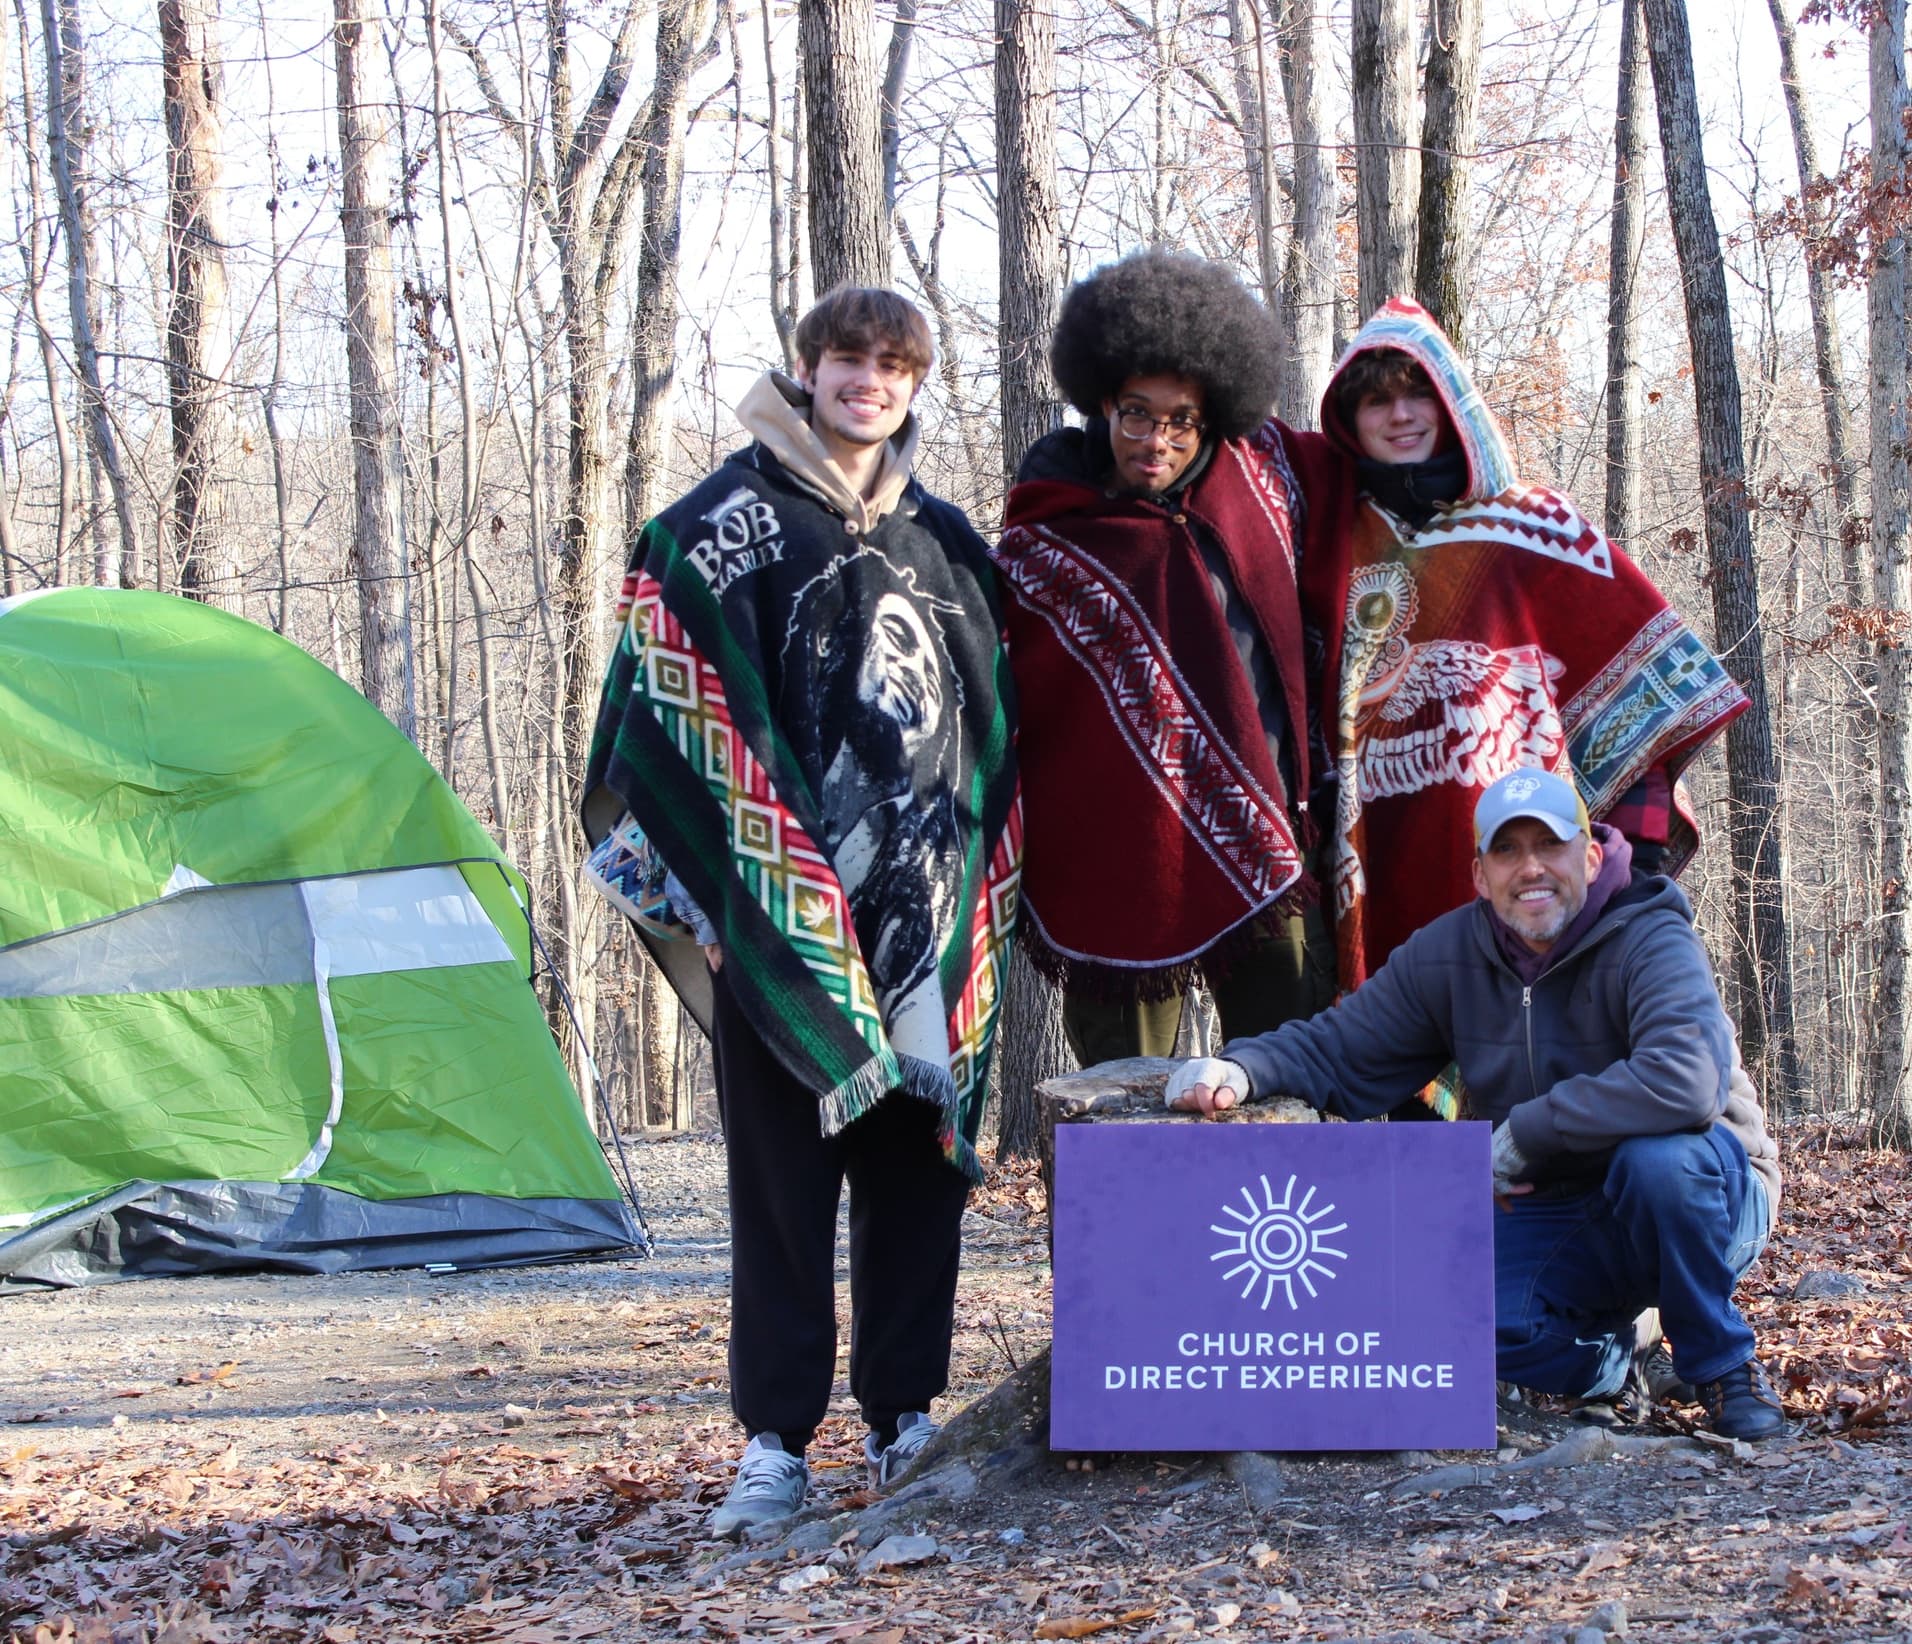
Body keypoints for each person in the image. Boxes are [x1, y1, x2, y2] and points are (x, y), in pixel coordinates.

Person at [580, 287, 1022, 1537]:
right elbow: (654, 724)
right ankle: (774, 1442)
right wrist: (714, 903)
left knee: (915, 1174)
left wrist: (977, 900)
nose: (867, 382)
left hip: (921, 921)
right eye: (847, 359)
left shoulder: (946, 544)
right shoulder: (714, 528)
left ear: (914, 383)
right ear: (807, 368)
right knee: (781, 1189)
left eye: (892, 365)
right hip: (771, 923)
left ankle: (902, 1418)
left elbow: (995, 732)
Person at [1164, 766, 1786, 1441]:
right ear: (1480, 876)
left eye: (1549, 845)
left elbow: (1686, 1081)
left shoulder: (1650, 931)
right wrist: (1242, 1068)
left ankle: (1722, 1367)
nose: (1531, 868)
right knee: (1456, 1325)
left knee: (1657, 1163)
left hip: (1712, 1191)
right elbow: (1341, 1045)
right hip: (1564, 1205)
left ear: (1590, 856)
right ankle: (1620, 1358)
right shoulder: (1451, 953)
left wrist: (1528, 1132)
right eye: (1507, 850)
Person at [1303, 298, 1749, 1008]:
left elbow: (1642, 698)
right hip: (1371, 845)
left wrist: (1633, 860)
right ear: (1349, 419)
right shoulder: (1331, 543)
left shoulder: (1533, 527)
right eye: (1376, 401)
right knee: (1390, 1030)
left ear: (1451, 402)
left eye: (1418, 393)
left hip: (1522, 850)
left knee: (1520, 1043)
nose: (1400, 415)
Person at [991, 251, 1353, 1066]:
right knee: (1124, 1102)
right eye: (1137, 414)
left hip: (1267, 839)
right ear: (1102, 402)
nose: (1157, 440)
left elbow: (1381, 456)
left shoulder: (1265, 487)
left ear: (1212, 414)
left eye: (1182, 419)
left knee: (1289, 1076)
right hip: (1118, 857)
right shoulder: (1049, 537)